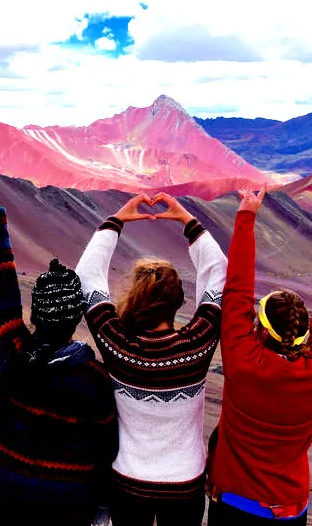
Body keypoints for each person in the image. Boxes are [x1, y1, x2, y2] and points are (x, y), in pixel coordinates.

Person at [0, 168, 118, 526]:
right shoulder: (92, 379)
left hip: (13, 499)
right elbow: (106, 448)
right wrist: (104, 507)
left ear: (35, 312)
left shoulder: (12, 351)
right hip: (72, 509)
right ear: (76, 316)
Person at [74, 192, 228, 526]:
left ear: (138, 298)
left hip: (128, 483)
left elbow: (86, 278)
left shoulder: (117, 346)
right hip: (185, 484)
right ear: (179, 301)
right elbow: (219, 273)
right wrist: (187, 220)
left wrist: (116, 221)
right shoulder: (198, 344)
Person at [207, 187, 312, 525]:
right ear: (304, 334)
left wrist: (246, 215)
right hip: (290, 509)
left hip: (235, 503)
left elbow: (236, 289)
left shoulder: (243, 362)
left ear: (260, 327)